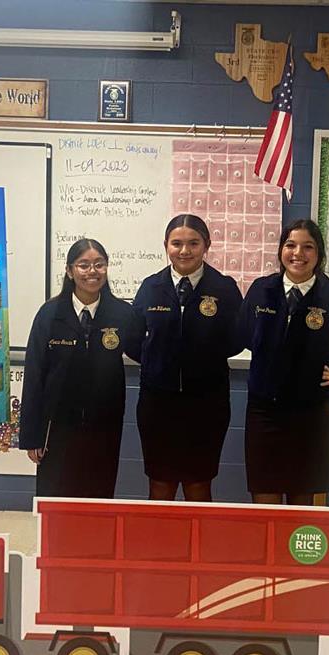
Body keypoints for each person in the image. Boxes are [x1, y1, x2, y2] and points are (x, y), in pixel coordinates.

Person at [128, 215, 243, 502]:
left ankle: (197, 548)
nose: (184, 251)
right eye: (176, 243)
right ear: (165, 246)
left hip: (207, 405)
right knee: (160, 485)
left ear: (207, 246)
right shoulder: (150, 287)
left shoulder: (224, 288)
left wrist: (203, 357)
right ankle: (160, 547)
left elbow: (239, 337)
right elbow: (132, 338)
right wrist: (158, 362)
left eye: (193, 243)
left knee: (198, 485)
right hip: (158, 405)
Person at [19, 239, 139, 498]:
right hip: (58, 427)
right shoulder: (50, 314)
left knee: (99, 497)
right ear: (70, 271)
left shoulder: (122, 314)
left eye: (99, 264)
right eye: (83, 265)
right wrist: (33, 437)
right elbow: (34, 376)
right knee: (57, 500)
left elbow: (145, 353)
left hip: (104, 427)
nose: (92, 271)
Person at [238, 219, 329, 505]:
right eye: (291, 245)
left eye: (308, 247)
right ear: (281, 250)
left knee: (302, 501)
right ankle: (267, 552)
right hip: (264, 412)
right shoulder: (262, 289)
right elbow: (243, 335)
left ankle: (292, 553)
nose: (298, 253)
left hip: (310, 414)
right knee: (265, 497)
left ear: (319, 253)